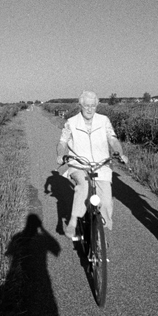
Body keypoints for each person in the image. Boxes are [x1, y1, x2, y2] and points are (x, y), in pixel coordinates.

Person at [56, 91, 128, 242]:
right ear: (80, 106)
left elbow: (113, 139)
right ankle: (74, 221)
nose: (90, 109)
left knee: (106, 200)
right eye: (86, 106)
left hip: (101, 165)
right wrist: (61, 155)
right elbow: (62, 142)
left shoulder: (104, 121)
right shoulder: (72, 122)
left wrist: (119, 152)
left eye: (93, 106)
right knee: (83, 186)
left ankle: (101, 224)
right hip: (79, 164)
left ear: (97, 106)